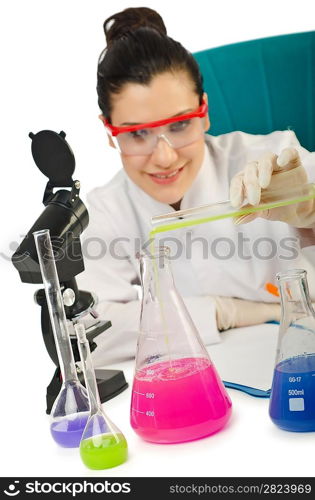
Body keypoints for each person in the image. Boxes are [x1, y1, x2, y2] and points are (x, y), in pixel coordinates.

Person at [77, 7, 315, 364]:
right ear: (109, 131)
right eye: (137, 133)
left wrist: (310, 213)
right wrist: (220, 312)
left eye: (179, 125)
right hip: (211, 380)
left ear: (204, 112)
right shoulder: (105, 211)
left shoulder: (276, 157)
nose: (164, 157)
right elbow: (91, 334)